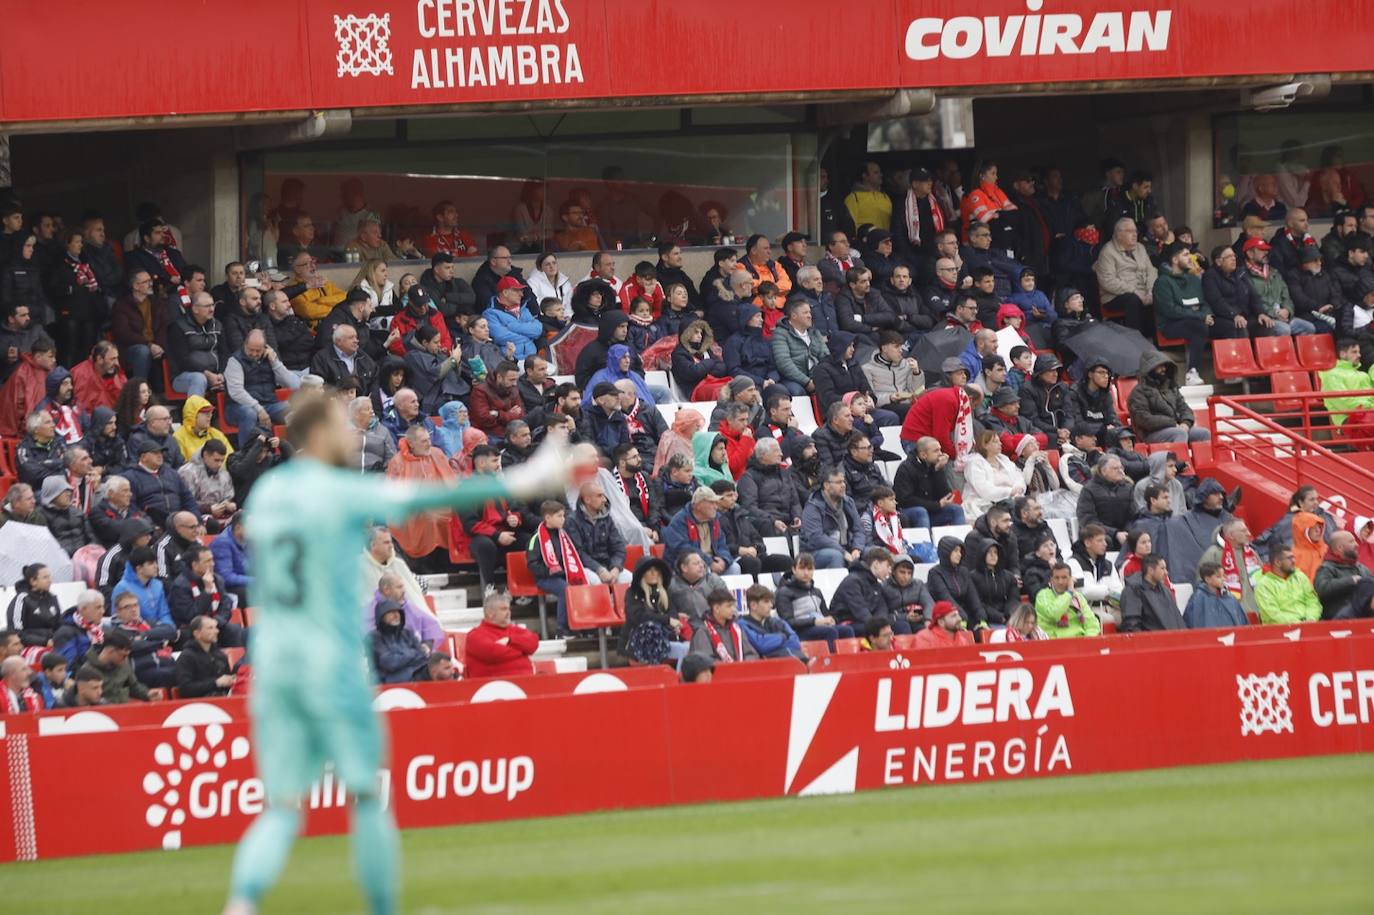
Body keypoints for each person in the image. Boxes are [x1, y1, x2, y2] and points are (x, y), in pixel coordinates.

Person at [225, 391, 592, 914]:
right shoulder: (334, 489)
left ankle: (240, 905)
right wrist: (528, 479)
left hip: (277, 663)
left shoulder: (266, 495)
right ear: (318, 436)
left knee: (281, 808)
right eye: (340, 424)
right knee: (369, 797)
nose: (351, 432)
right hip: (328, 661)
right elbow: (421, 500)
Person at [774, 553, 854, 650]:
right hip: (799, 631)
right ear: (794, 569)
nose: (806, 573)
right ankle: (831, 662)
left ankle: (849, 661)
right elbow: (788, 621)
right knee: (830, 632)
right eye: (802, 568)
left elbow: (826, 614)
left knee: (847, 630)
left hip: (819, 626)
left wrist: (833, 620)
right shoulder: (784, 592)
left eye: (809, 569)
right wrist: (815, 622)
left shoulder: (817, 591)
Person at [1129, 350, 1210, 444]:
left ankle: (1203, 459)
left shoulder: (1171, 388)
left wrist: (1185, 423)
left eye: (1164, 366)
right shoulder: (1138, 392)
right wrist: (1171, 423)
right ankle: (1179, 459)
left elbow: (1184, 408)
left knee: (1203, 433)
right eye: (1159, 366)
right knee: (1179, 434)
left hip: (1176, 428)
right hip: (1151, 434)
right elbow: (1143, 419)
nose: (1163, 369)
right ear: (1149, 369)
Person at [1241, 237, 1317, 337]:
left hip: (1282, 317)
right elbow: (1251, 303)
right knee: (1283, 329)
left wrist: (1287, 311)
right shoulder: (1243, 275)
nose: (1266, 253)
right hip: (1261, 319)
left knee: (1309, 328)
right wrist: (1274, 314)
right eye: (1261, 250)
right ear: (1250, 254)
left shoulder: (1274, 272)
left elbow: (1286, 296)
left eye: (1266, 250)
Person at [799, 468, 866, 569]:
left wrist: (857, 548)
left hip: (847, 547)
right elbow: (816, 538)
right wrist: (843, 552)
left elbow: (859, 530)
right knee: (835, 556)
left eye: (844, 481)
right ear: (826, 485)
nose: (843, 485)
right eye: (839, 482)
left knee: (872, 552)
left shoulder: (849, 502)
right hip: (815, 552)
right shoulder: (813, 506)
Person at [892, 436, 963, 529]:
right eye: (936, 451)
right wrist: (937, 505)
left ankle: (959, 542)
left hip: (931, 511)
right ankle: (924, 543)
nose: (940, 454)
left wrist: (939, 471)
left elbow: (946, 495)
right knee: (921, 512)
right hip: (909, 513)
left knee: (956, 509)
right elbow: (905, 500)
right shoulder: (906, 468)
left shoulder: (935, 465)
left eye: (940, 450)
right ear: (923, 455)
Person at [1199, 518, 1262, 620]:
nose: (1249, 533)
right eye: (1243, 531)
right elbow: (1203, 585)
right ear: (1231, 535)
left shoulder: (1251, 553)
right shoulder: (1213, 553)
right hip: (1227, 613)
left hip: (1256, 612)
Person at [663, 487, 735, 574]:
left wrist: (724, 560)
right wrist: (709, 562)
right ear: (698, 505)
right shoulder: (679, 521)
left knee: (734, 568)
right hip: (687, 566)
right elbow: (683, 549)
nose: (716, 507)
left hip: (712, 561)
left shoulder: (714, 520)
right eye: (712, 503)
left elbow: (722, 544)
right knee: (703, 570)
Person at [961, 429, 1026, 519]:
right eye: (995, 442)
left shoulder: (1004, 459)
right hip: (985, 503)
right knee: (1019, 509)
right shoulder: (974, 463)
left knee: (1030, 505)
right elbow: (984, 490)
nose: (1000, 444)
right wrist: (1009, 491)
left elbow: (1019, 477)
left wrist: (1018, 490)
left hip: (1012, 499)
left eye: (999, 441)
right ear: (985, 445)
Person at [1254, 545, 1323, 625]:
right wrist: (1297, 623)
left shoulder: (1300, 576)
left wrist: (1311, 619)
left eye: (1293, 557)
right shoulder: (1264, 584)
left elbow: (1313, 601)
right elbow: (1272, 614)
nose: (1294, 561)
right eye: (1289, 558)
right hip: (1279, 631)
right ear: (1278, 562)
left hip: (1309, 624)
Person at [926, 536, 984, 628]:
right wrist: (962, 617)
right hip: (946, 617)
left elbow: (973, 597)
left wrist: (982, 618)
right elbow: (945, 597)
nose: (959, 554)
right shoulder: (935, 573)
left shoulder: (964, 571)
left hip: (965, 616)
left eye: (960, 551)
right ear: (946, 552)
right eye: (956, 551)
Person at [1313, 530, 1371, 619]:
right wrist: (1351, 581)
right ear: (1340, 548)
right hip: (1338, 622)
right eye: (1351, 542)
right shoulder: (1326, 568)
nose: (1357, 544)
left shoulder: (1362, 568)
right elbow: (1322, 589)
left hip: (1364, 621)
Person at [369, 600, 429, 685]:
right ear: (382, 616)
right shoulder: (374, 637)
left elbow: (423, 655)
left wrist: (400, 656)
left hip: (413, 675)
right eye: (391, 612)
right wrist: (413, 653)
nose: (396, 615)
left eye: (398, 612)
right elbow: (389, 663)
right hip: (386, 682)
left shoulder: (408, 632)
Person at [739, 584, 805, 662]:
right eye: (766, 602)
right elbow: (761, 646)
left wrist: (772, 643)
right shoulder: (742, 624)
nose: (771, 605)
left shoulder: (776, 621)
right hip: (764, 667)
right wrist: (782, 636)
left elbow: (796, 643)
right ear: (753, 605)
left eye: (771, 601)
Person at [80, 629, 149, 704]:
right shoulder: (87, 671)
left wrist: (148, 694)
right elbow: (87, 700)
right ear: (111, 651)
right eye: (123, 656)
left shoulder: (124, 665)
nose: (126, 659)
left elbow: (134, 687)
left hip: (124, 710)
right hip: (101, 713)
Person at [1035, 562, 1102, 638]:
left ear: (1070, 579)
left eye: (1064, 577)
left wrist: (1087, 640)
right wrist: (1069, 593)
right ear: (1051, 580)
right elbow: (1053, 614)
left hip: (1079, 642)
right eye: (1057, 578)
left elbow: (1092, 624)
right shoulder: (1043, 595)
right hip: (1053, 643)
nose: (1060, 582)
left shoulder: (1078, 597)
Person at [689, 589, 757, 663]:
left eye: (733, 606)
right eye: (729, 606)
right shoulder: (702, 631)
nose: (733, 609)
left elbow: (751, 653)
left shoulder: (737, 628)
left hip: (741, 670)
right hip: (718, 672)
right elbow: (705, 660)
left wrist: (745, 663)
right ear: (716, 608)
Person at [1119, 554, 1183, 632]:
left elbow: (1178, 621)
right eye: (1162, 568)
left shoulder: (1165, 591)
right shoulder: (1133, 591)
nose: (1166, 572)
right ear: (1150, 570)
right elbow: (1132, 625)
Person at [175, 615, 234, 698]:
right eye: (210, 628)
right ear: (197, 633)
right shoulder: (186, 657)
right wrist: (215, 683)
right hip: (198, 706)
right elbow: (186, 689)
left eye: (216, 627)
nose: (216, 631)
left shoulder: (220, 655)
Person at [1184, 561, 1249, 629]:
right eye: (1218, 577)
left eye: (1223, 576)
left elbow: (1241, 622)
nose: (1223, 579)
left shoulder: (1229, 597)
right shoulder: (1198, 598)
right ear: (1208, 579)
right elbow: (1194, 623)